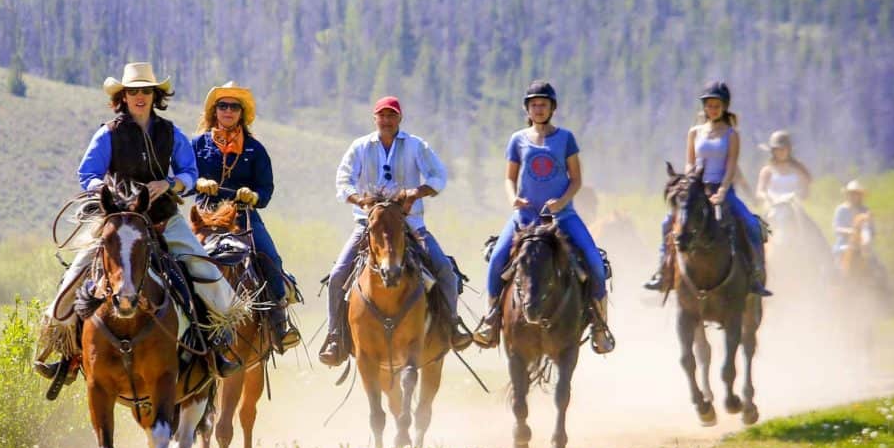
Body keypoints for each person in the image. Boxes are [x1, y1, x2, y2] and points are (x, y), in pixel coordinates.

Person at [33, 62, 239, 388]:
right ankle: (68, 354)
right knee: (75, 278)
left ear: (155, 95)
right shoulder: (108, 134)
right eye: (133, 91)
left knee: (205, 270)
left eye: (146, 91)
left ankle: (216, 346)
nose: (139, 96)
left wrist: (169, 184)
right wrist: (108, 191)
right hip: (116, 221)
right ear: (123, 97)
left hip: (161, 218)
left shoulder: (172, 133)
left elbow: (190, 173)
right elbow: (87, 175)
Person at [318, 95, 473, 366]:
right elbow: (343, 180)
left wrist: (417, 191)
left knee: (444, 271)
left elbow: (439, 175)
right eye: (382, 116)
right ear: (375, 118)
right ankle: (336, 336)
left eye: (392, 116)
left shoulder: (416, 146)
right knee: (337, 276)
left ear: (400, 118)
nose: (386, 121)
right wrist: (359, 199)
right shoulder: (360, 147)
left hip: (411, 225)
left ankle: (451, 325)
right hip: (369, 225)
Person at [472, 80, 615, 354]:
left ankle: (600, 326)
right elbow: (509, 178)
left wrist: (561, 202)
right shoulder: (518, 139)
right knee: (497, 261)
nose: (538, 109)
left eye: (543, 104)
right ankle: (491, 319)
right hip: (524, 218)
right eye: (534, 104)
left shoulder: (565, 139)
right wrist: (513, 198)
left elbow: (576, 179)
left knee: (595, 263)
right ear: (528, 108)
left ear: (552, 108)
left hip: (562, 218)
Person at [193, 82, 300, 353]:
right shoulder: (197, 144)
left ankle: (279, 322)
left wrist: (252, 196)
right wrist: (199, 182)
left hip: (244, 218)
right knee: (176, 258)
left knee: (269, 258)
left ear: (242, 113)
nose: (228, 111)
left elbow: (266, 190)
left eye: (234, 106)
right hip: (206, 218)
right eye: (222, 105)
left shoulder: (255, 149)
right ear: (214, 111)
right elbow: (181, 175)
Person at [643, 81, 773, 296]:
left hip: (723, 188)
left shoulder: (731, 134)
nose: (712, 109)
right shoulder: (695, 132)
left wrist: (722, 191)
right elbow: (689, 163)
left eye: (716, 105)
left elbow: (731, 165)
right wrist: (690, 183)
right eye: (709, 105)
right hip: (698, 189)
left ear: (724, 107)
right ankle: (663, 272)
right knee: (668, 223)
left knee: (750, 224)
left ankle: (755, 274)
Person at [756, 130, 812, 211]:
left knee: (802, 217)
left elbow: (806, 187)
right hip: (772, 205)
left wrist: (799, 196)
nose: (781, 152)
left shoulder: (798, 168)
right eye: (778, 149)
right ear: (773, 151)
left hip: (794, 205)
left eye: (783, 149)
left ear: (789, 149)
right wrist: (766, 197)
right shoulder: (767, 170)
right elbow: (760, 191)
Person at [832, 179, 874, 257]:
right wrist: (851, 232)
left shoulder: (865, 210)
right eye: (852, 193)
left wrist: (865, 239)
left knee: (877, 265)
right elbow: (836, 228)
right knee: (833, 264)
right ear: (848, 195)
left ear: (860, 195)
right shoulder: (841, 209)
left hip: (862, 247)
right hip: (842, 245)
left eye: (857, 193)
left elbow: (871, 230)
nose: (854, 196)